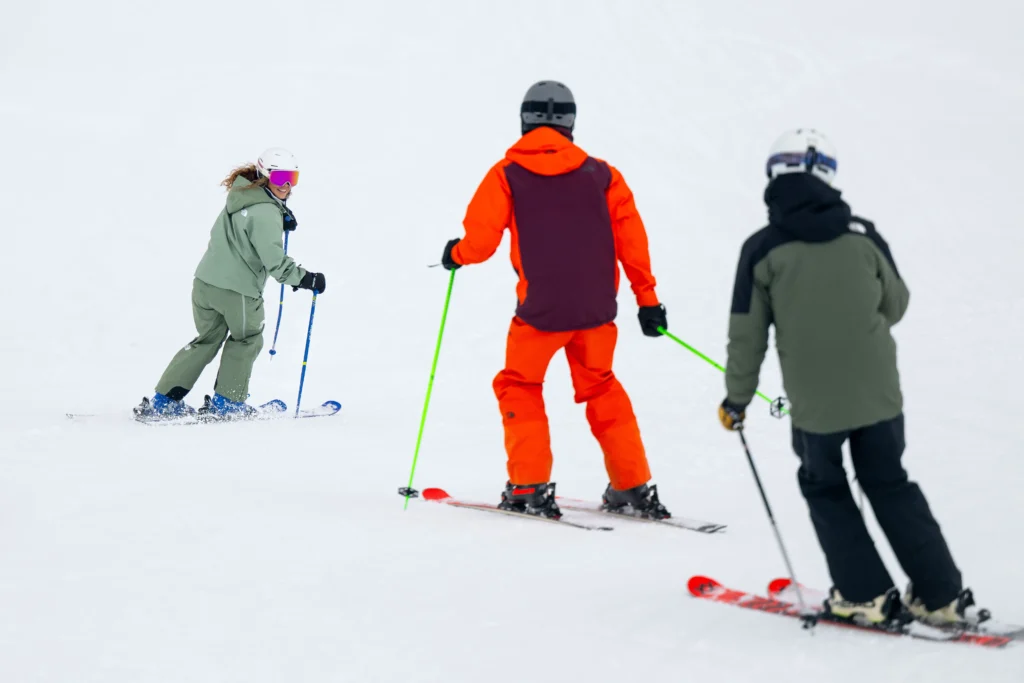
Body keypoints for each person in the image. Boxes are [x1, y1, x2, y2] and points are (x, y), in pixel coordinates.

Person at [719, 129, 977, 625]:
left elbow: (746, 334)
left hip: (815, 405)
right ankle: (941, 596)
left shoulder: (761, 248)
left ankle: (865, 595)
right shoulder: (863, 234)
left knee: (825, 486)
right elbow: (896, 304)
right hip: (879, 393)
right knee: (890, 482)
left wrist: (737, 400)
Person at [441, 80, 670, 520]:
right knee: (601, 387)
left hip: (540, 314)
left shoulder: (506, 174)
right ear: (571, 123)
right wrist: (648, 300)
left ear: (524, 121)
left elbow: (480, 244)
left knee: (520, 386)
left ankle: (528, 486)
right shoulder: (603, 175)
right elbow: (632, 242)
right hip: (596, 311)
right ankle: (632, 485)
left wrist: (456, 254)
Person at [134, 148, 327, 421]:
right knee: (247, 339)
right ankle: (228, 403)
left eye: (292, 178)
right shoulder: (265, 212)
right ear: (265, 175)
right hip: (239, 292)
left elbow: (244, 231)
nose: (286, 185)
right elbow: (275, 262)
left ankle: (163, 401)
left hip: (205, 284)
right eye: (280, 177)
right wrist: (306, 278)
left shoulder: (240, 197)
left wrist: (280, 214)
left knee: (206, 341)